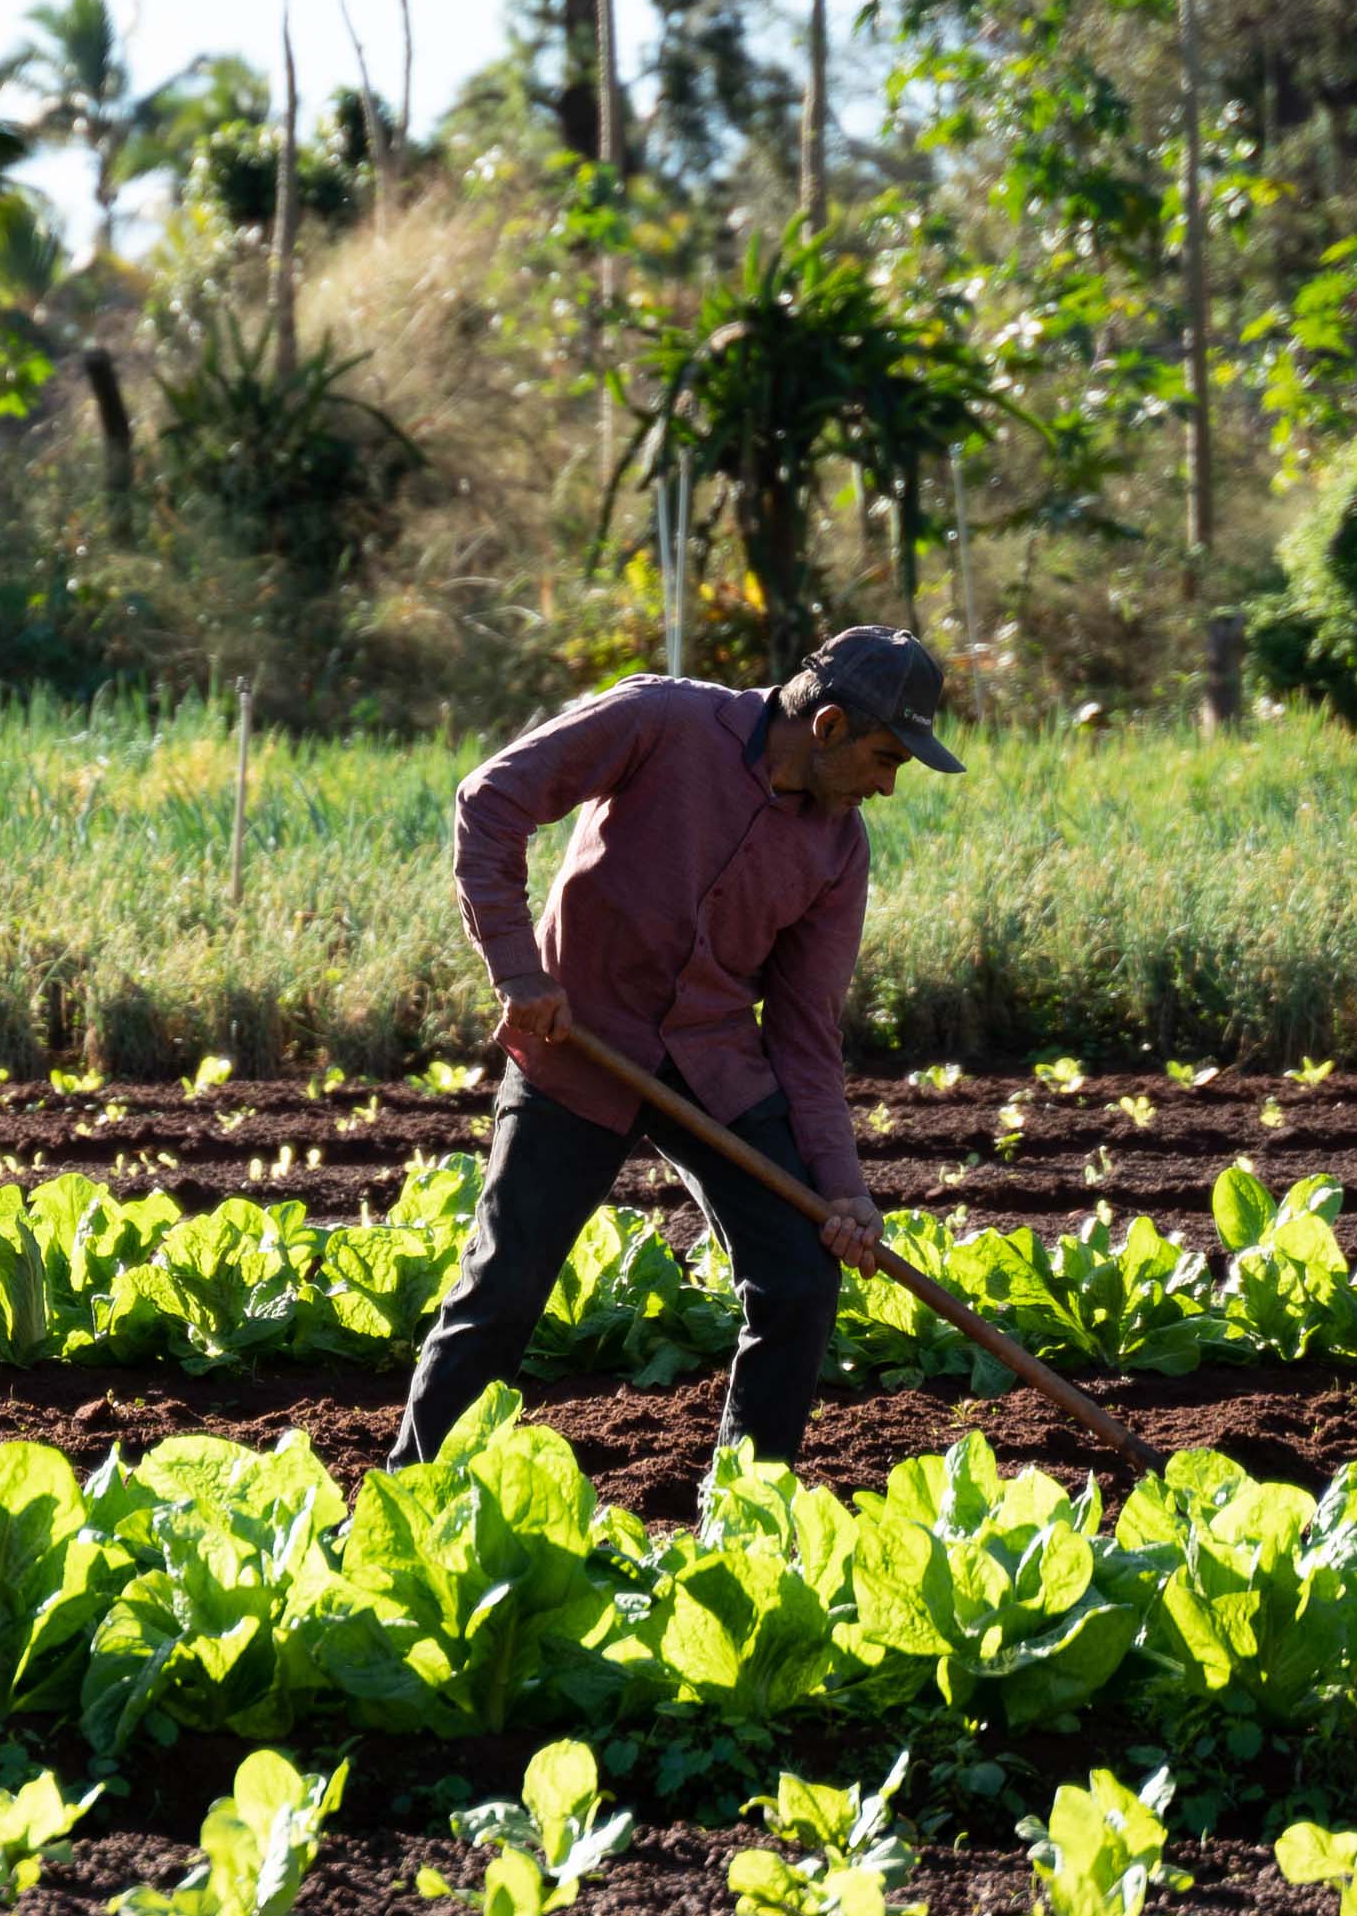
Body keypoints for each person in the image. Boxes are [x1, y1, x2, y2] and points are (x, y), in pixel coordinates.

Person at [388, 625, 960, 1470]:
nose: (888, 783)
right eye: (887, 758)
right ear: (830, 726)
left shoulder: (839, 851)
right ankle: (416, 1490)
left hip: (714, 1064)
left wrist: (843, 1191)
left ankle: (744, 1507)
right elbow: (492, 798)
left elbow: (805, 1034)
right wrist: (517, 968)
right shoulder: (661, 721)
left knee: (801, 1281)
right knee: (505, 1290)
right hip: (581, 1043)